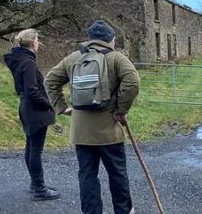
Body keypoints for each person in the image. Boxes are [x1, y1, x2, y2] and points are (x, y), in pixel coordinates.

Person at [44, 20, 139, 214]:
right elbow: (133, 81)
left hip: (81, 132)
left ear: (91, 39)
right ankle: (123, 211)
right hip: (109, 131)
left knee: (87, 175)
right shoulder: (116, 58)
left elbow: (50, 80)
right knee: (117, 173)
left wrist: (61, 108)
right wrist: (121, 109)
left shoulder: (73, 58)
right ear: (111, 39)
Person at [3, 29, 60, 201]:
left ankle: (36, 184)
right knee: (35, 150)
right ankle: (40, 189)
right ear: (32, 42)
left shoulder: (19, 60)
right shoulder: (28, 62)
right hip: (34, 110)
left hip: (26, 107)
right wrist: (50, 105)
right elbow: (33, 91)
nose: (38, 43)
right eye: (37, 40)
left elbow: (20, 89)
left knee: (31, 148)